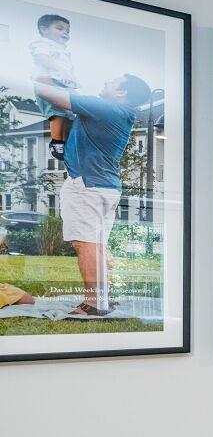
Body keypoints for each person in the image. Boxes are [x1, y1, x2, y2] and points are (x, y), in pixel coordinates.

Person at [33, 74, 151, 317]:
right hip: (104, 187)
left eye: (112, 81)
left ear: (121, 93)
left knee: (85, 244)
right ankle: (103, 298)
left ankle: (94, 304)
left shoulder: (107, 108)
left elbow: (46, 92)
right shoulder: (119, 113)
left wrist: (45, 76)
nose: (105, 82)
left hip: (86, 186)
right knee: (96, 245)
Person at [30, 14, 77, 162]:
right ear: (44, 29)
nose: (65, 33)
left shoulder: (63, 50)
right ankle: (56, 141)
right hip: (50, 81)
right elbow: (41, 58)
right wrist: (61, 71)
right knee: (57, 113)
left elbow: (68, 69)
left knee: (69, 115)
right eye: (60, 28)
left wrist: (72, 81)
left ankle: (65, 142)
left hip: (64, 85)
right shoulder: (43, 43)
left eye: (67, 31)